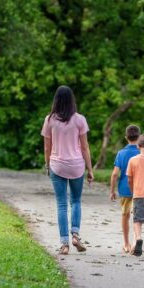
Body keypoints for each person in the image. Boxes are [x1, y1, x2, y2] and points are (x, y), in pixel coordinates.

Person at [42, 85, 94, 255]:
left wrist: (47, 165)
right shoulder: (80, 119)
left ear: (56, 100)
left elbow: (47, 148)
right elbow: (85, 147)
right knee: (76, 201)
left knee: (62, 204)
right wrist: (90, 169)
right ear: (72, 100)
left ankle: (64, 244)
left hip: (57, 164)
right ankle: (75, 234)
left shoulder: (50, 120)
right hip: (77, 165)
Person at [109, 124, 142, 254]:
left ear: (126, 137)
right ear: (139, 138)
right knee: (137, 216)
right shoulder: (142, 152)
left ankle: (126, 243)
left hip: (124, 190)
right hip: (140, 190)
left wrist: (112, 190)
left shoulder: (121, 153)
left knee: (125, 215)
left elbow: (115, 174)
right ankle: (135, 242)